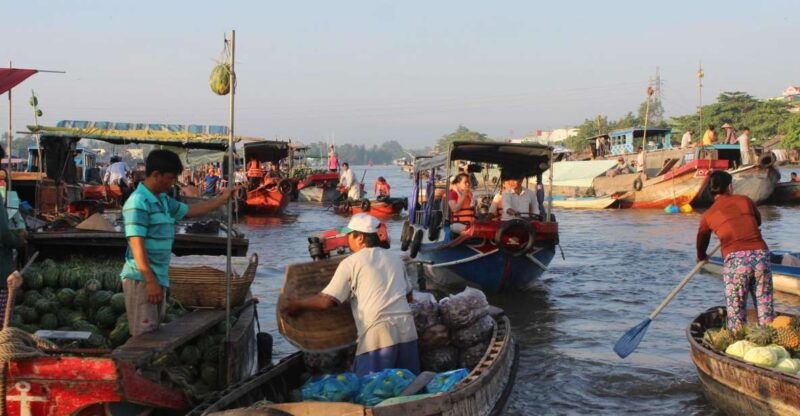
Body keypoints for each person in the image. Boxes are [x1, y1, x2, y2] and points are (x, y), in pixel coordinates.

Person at [281, 214, 419, 376]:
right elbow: (408, 298)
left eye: (349, 236)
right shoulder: (396, 259)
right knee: (408, 385)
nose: (347, 240)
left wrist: (298, 305)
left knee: (372, 391)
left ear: (360, 238)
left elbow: (326, 301)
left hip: (378, 336)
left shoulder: (351, 263)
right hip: (407, 330)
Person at [121, 150, 239, 336]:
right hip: (141, 278)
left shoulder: (163, 200)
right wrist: (150, 281)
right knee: (143, 336)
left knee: (154, 332)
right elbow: (137, 246)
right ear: (156, 175)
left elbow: (190, 210)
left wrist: (221, 200)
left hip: (158, 276)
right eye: (170, 178)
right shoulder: (138, 202)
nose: (171, 184)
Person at [696, 170, 773, 330]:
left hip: (736, 261)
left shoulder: (708, 215)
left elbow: (702, 239)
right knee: (764, 304)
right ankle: (769, 337)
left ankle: (737, 341)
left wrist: (701, 257)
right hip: (760, 256)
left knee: (736, 308)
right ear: (730, 187)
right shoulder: (745, 200)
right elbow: (757, 222)